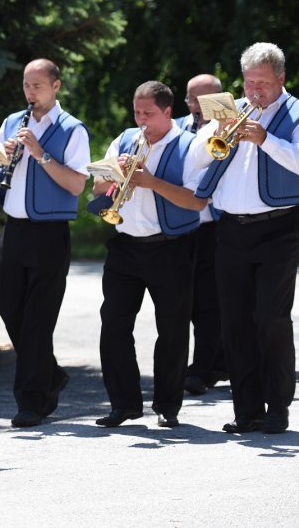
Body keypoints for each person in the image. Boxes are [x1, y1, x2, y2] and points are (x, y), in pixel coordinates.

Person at [190, 42, 299, 434]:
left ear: (281, 79)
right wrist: (218, 132)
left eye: (262, 84)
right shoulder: (231, 109)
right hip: (231, 229)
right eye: (249, 83)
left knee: (271, 319)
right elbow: (194, 160)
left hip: (278, 227)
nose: (254, 92)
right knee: (236, 321)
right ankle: (247, 412)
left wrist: (266, 140)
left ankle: (277, 408)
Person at [0, 59, 90, 427]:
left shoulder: (73, 130)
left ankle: (31, 402)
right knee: (7, 302)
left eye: (38, 86)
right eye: (26, 85)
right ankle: (50, 373)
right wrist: (1, 156)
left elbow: (76, 184)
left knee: (39, 319)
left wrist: (40, 154)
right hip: (16, 229)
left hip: (50, 233)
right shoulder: (13, 121)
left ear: (56, 87)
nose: (30, 93)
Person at [92, 81, 206, 429]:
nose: (141, 119)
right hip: (126, 245)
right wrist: (114, 175)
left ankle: (167, 405)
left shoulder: (189, 145)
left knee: (172, 329)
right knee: (113, 324)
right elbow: (97, 189)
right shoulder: (125, 139)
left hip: (171, 246)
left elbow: (197, 201)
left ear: (168, 112)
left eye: (148, 113)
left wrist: (151, 181)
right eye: (137, 111)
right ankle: (124, 404)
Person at [177, 74, 229, 396]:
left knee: (210, 301)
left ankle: (201, 369)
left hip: (216, 225)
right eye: (190, 100)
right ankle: (218, 363)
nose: (195, 107)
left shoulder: (232, 127)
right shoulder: (178, 128)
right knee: (189, 301)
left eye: (202, 100)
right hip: (182, 224)